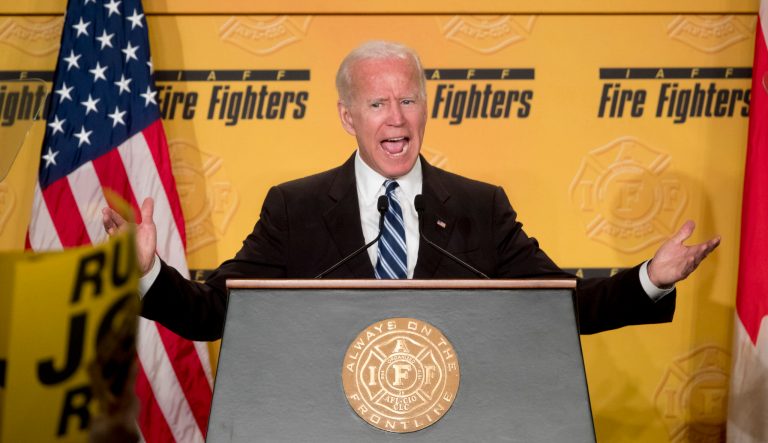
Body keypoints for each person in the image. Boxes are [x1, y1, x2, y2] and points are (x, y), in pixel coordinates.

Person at [102, 41, 720, 342]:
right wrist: (150, 273)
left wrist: (650, 279)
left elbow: (558, 306)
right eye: (377, 103)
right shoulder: (295, 208)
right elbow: (215, 316)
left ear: (425, 108)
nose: (395, 118)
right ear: (349, 117)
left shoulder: (480, 206)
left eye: (408, 100)